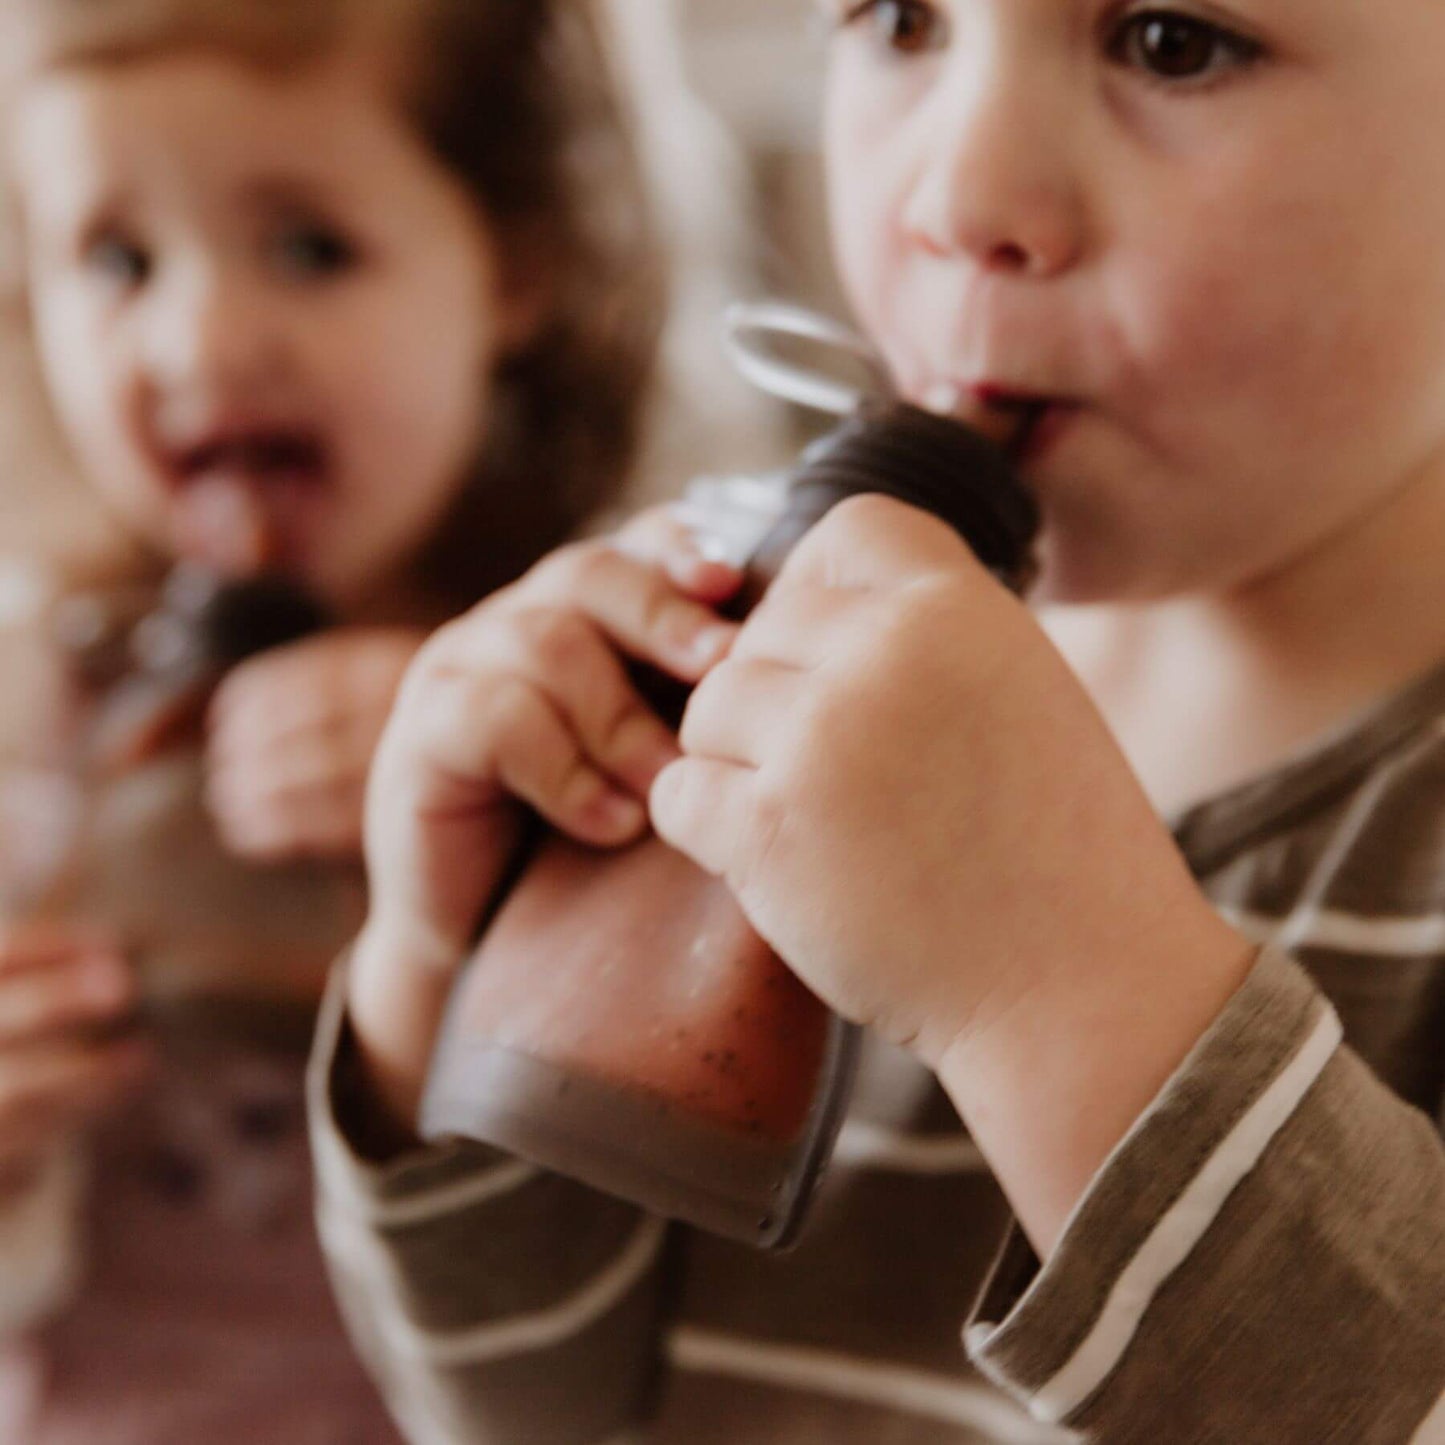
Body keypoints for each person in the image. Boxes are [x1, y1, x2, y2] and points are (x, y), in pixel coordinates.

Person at [308, 0, 1445, 1441]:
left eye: (1171, 43)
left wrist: (1054, 980)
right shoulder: (733, 654)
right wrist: (437, 978)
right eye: (899, 18)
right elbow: (538, 1413)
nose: (957, 195)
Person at [0, 0, 666, 1438]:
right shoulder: (26, 724)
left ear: (511, 264)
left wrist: (510, 811)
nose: (204, 338)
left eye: (309, 247)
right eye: (116, 259)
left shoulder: (612, 686)